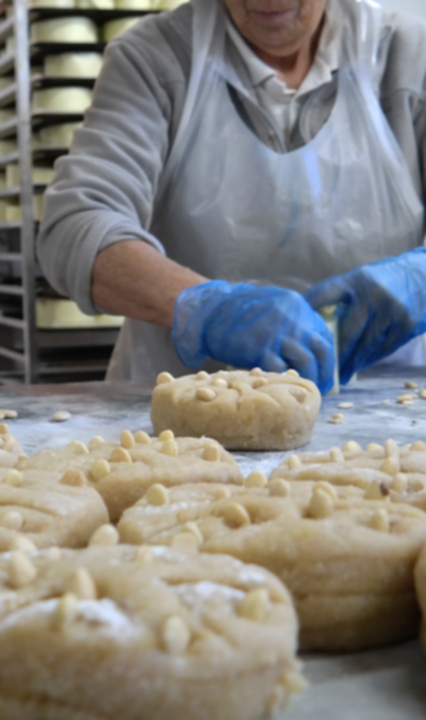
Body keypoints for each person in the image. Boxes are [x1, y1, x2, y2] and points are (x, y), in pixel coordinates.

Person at [37, 0, 426, 393]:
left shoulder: (410, 56)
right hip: (184, 419)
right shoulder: (155, 58)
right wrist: (201, 307)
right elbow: (75, 226)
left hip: (389, 410)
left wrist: (418, 281)